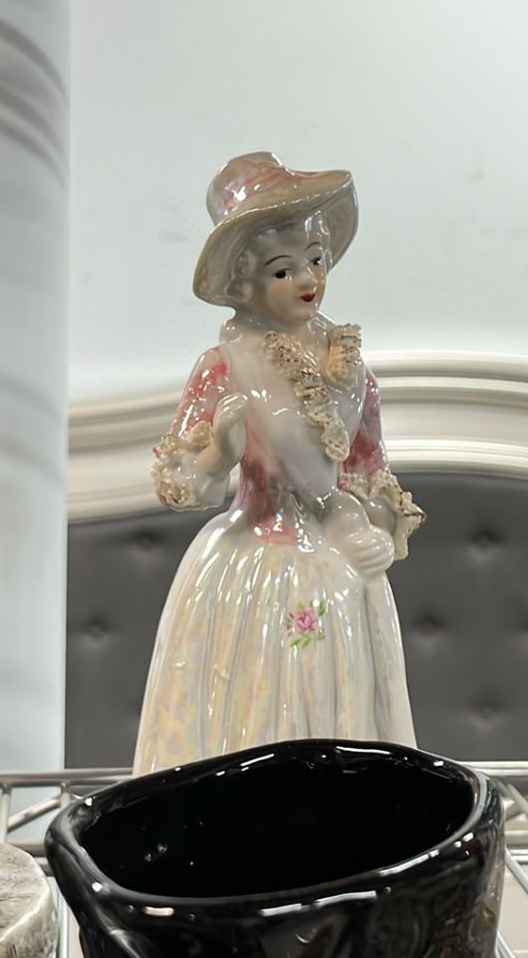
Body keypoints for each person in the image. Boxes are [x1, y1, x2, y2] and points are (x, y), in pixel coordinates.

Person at [132, 153, 425, 775]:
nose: (307, 279)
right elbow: (182, 482)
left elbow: (370, 473)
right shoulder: (224, 366)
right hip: (254, 564)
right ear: (245, 283)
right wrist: (220, 452)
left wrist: (371, 525)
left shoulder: (351, 370)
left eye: (316, 260)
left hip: (339, 564)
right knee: (253, 700)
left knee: (339, 701)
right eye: (283, 270)